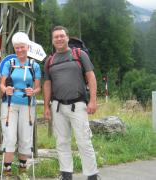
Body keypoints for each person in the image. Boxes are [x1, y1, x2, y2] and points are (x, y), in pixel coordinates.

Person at [43, 26, 99, 180]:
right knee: (61, 142)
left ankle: (92, 175)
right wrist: (46, 106)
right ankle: (66, 174)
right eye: (56, 37)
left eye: (62, 36)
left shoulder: (79, 54)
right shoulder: (50, 60)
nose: (59, 39)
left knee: (84, 141)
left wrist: (93, 100)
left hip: (79, 105)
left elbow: (91, 76)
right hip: (58, 106)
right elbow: (47, 84)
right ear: (52, 40)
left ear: (67, 38)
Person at [0, 32, 41, 178]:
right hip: (9, 104)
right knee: (10, 137)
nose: (19, 50)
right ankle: (7, 171)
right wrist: (6, 89)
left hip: (28, 105)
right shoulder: (9, 64)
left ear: (27, 47)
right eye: (16, 48)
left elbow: (38, 88)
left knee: (25, 137)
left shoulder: (34, 65)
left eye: (22, 47)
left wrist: (33, 92)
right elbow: (2, 85)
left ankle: (22, 171)